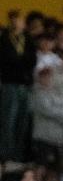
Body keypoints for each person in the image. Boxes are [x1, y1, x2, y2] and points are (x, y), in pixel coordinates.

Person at [1, 10, 37, 167]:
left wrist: (18, 60)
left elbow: (32, 60)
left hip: (25, 84)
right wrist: (20, 61)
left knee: (23, 121)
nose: (17, 22)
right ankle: (6, 154)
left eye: (19, 19)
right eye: (14, 19)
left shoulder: (28, 39)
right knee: (8, 120)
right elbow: (6, 58)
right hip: (10, 83)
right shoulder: (4, 39)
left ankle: (18, 154)